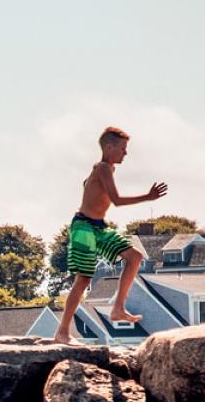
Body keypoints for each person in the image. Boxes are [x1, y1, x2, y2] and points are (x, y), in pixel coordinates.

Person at [52, 127, 168, 345]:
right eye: (123, 149)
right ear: (109, 147)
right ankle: (63, 332)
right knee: (83, 279)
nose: (126, 153)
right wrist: (148, 197)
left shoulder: (105, 170)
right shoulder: (104, 167)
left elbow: (90, 189)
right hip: (84, 227)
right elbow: (116, 200)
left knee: (134, 257)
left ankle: (118, 308)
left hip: (98, 227)